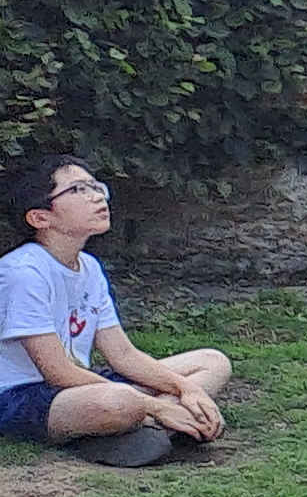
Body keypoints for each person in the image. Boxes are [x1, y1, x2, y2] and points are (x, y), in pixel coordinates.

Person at [0, 155, 230, 467]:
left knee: (212, 361)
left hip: (79, 387)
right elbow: (58, 372)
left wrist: (186, 388)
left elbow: (123, 354)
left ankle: (135, 429)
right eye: (78, 190)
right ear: (40, 218)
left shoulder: (89, 267)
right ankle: (151, 422)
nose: (97, 197)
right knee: (120, 400)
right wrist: (156, 405)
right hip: (20, 397)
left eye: (96, 186)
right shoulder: (23, 272)